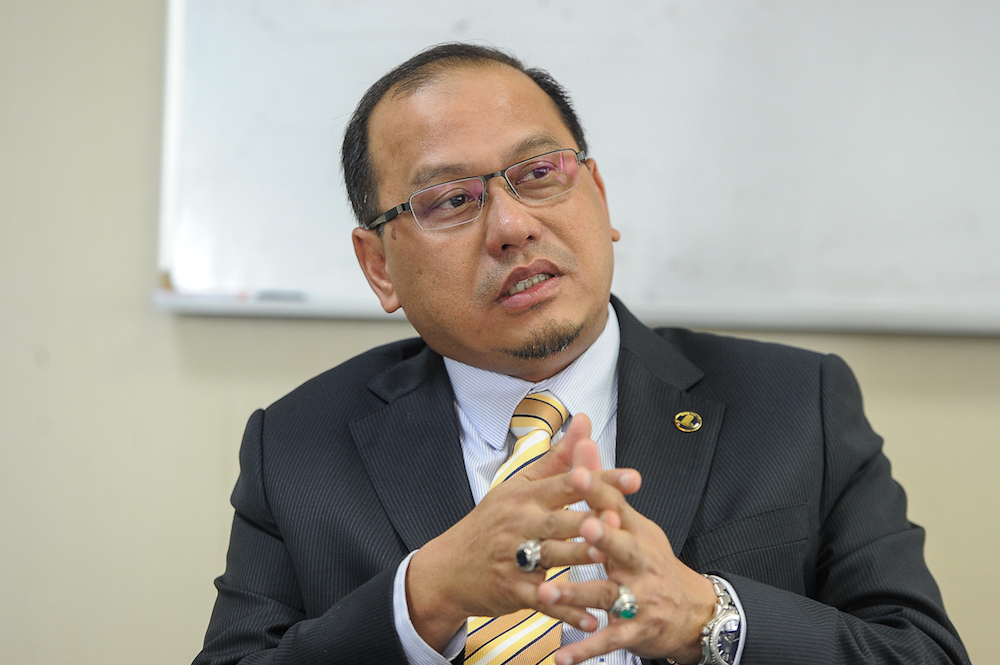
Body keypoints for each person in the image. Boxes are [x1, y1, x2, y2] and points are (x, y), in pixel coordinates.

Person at [193, 43, 969, 665]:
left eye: (538, 174)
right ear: (379, 267)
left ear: (598, 194)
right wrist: (420, 599)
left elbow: (923, 652)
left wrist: (711, 619)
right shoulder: (296, 448)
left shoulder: (800, 405)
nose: (511, 226)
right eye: (450, 200)